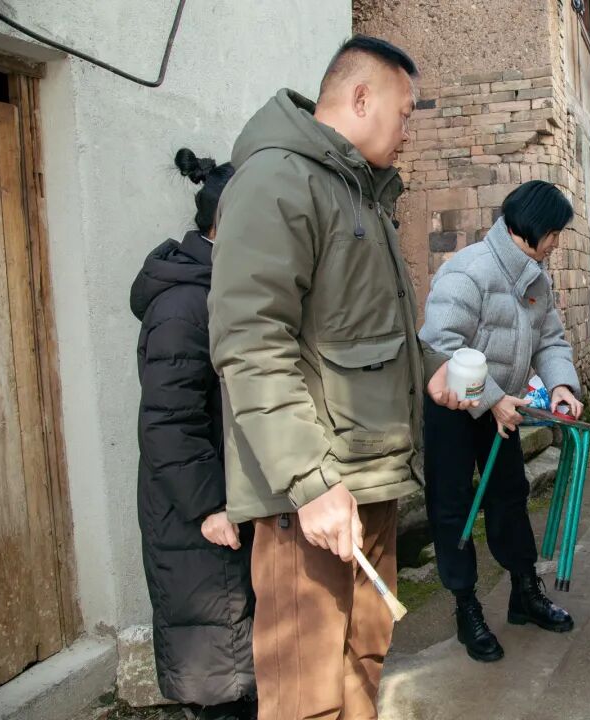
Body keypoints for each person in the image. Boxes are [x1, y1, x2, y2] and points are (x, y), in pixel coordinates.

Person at [208, 36, 465, 720]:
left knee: (362, 662)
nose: (408, 131)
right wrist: (309, 481)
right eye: (405, 113)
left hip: (368, 480)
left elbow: (359, 328)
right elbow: (251, 342)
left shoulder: (363, 194)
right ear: (360, 97)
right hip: (310, 499)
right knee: (307, 693)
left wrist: (432, 370)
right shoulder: (276, 182)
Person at [419, 180, 584, 663]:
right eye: (553, 233)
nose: (556, 243)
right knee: (453, 507)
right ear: (531, 227)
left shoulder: (535, 278)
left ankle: (524, 592)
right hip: (454, 408)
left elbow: (550, 340)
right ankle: (465, 606)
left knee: (510, 496)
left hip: (502, 408)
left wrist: (560, 385)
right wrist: (491, 399)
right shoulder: (467, 272)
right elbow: (440, 346)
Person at [130, 148, 255, 720]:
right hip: (198, 512)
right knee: (219, 674)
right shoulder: (184, 304)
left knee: (236, 661)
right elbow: (168, 420)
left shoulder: (219, 288)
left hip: (221, 502)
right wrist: (209, 507)